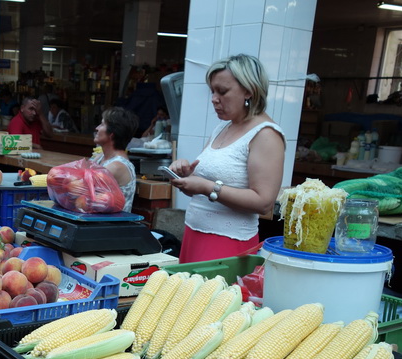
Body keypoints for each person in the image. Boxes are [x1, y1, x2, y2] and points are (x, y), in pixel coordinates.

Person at [167, 53, 285, 264]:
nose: (214, 98)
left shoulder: (266, 135)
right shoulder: (224, 126)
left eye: (222, 91)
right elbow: (205, 175)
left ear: (249, 90)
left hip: (228, 242)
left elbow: (264, 202)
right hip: (195, 232)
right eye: (212, 90)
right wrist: (186, 172)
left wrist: (206, 187)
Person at [90, 107, 140, 212]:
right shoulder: (100, 158)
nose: (97, 128)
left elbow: (80, 188)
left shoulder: (117, 166)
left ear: (112, 134)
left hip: (110, 225)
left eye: (102, 124)